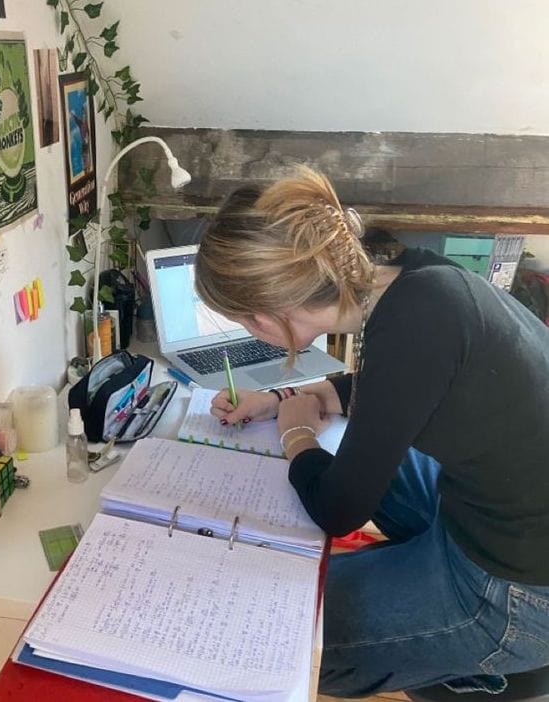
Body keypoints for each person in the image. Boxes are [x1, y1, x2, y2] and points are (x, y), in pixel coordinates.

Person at [195, 166, 549, 697]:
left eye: (244, 320)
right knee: (373, 454)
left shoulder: (414, 321)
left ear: (267, 314)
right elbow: (396, 385)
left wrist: (297, 437)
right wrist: (284, 398)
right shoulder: (412, 281)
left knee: (271, 632)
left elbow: (340, 510)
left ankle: (468, 657)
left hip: (518, 588)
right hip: (488, 510)